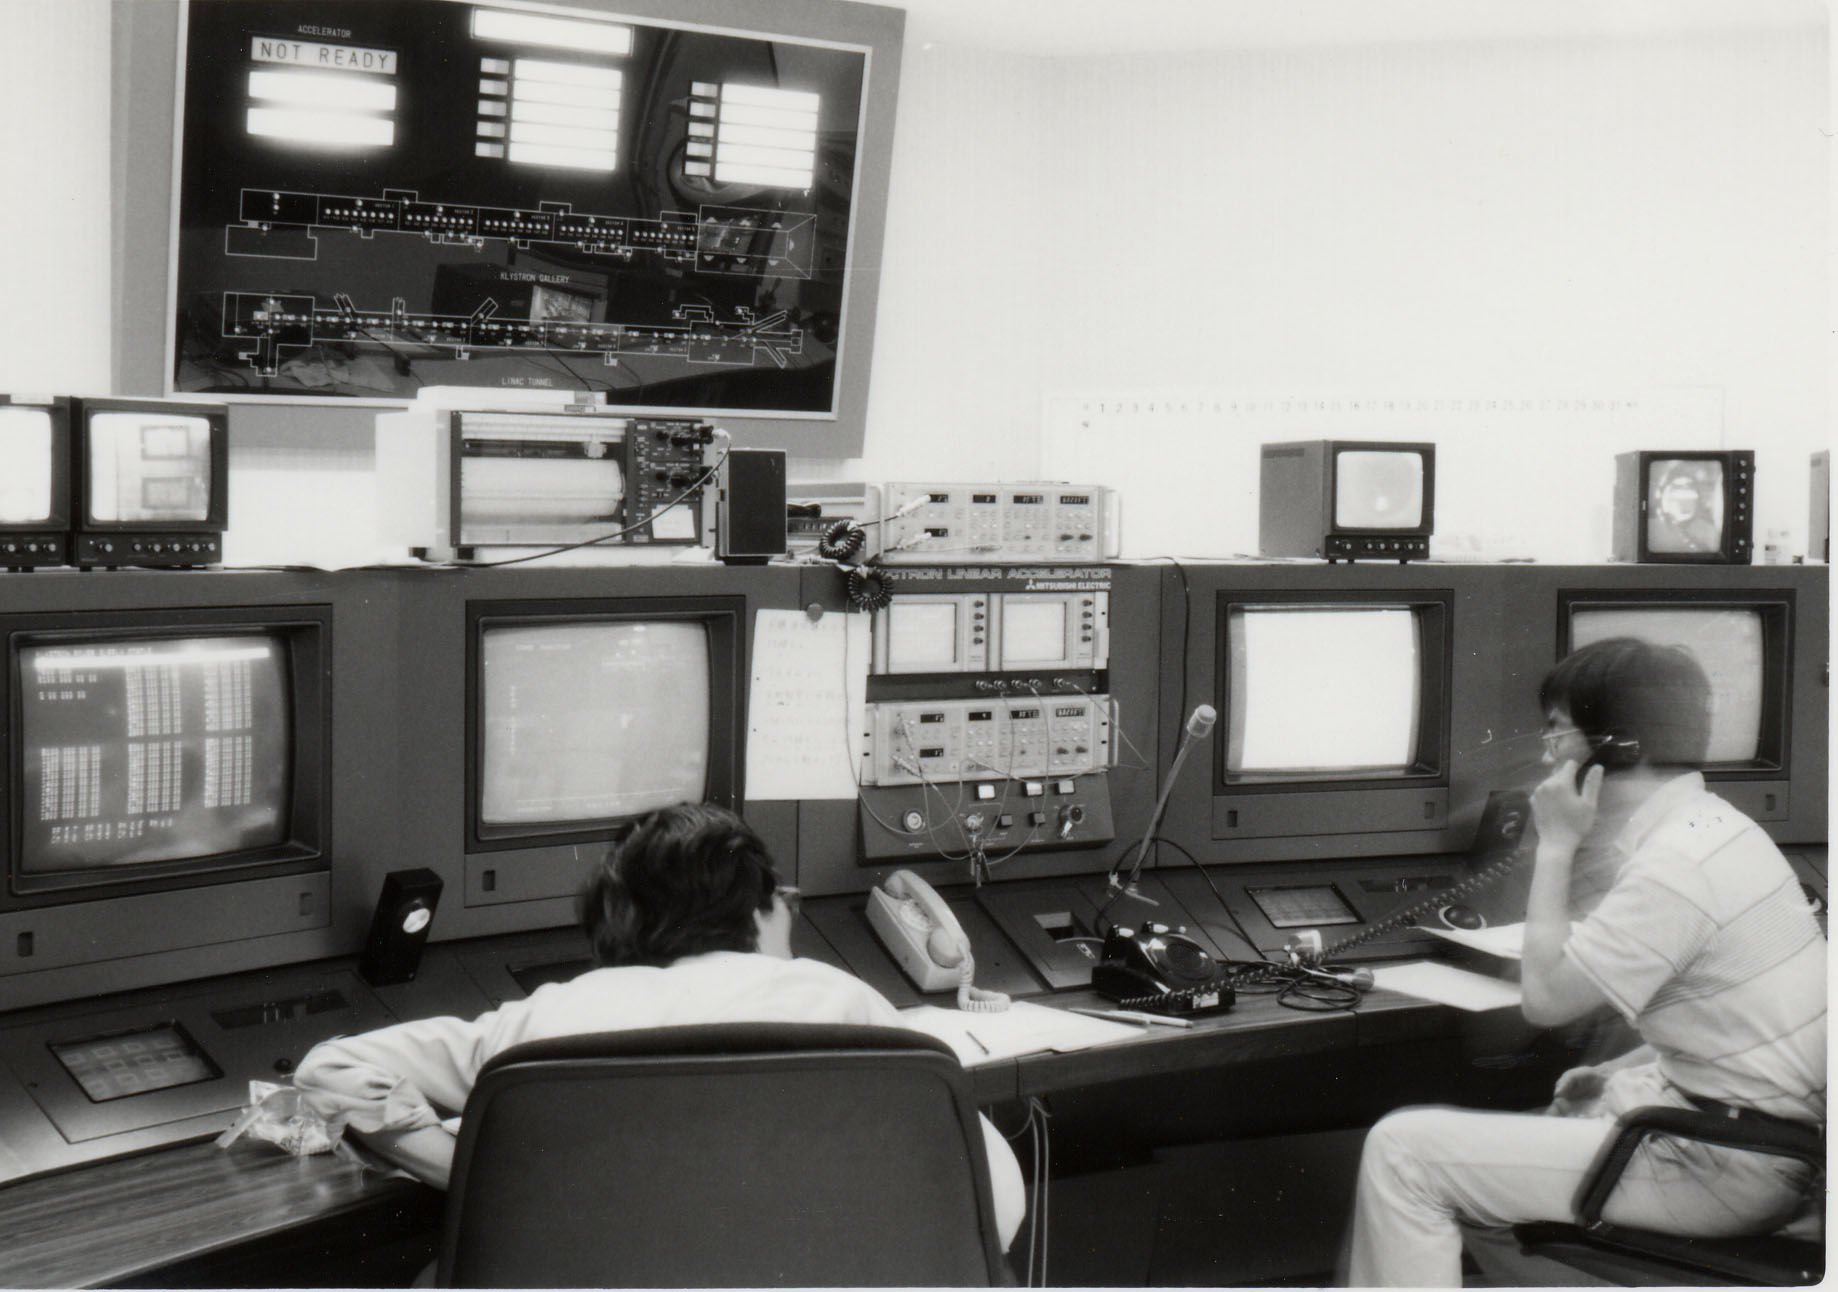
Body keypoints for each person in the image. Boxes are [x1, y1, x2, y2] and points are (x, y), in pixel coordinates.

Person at [294, 802, 1026, 1252]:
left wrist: (475, 1174)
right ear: (759, 909)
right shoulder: (839, 1002)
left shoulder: (550, 1017)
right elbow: (994, 1205)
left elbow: (332, 1071)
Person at [1345, 637, 1824, 1287]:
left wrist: (1556, 844)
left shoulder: (1674, 867)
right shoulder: (1721, 831)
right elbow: (1744, 1035)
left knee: (1401, 1153)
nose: (1547, 755)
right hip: (1756, 1149)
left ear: (1616, 746)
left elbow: (1544, 1000)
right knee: (1482, 1193)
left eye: (1556, 733)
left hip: (1722, 1167)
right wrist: (1618, 1073)